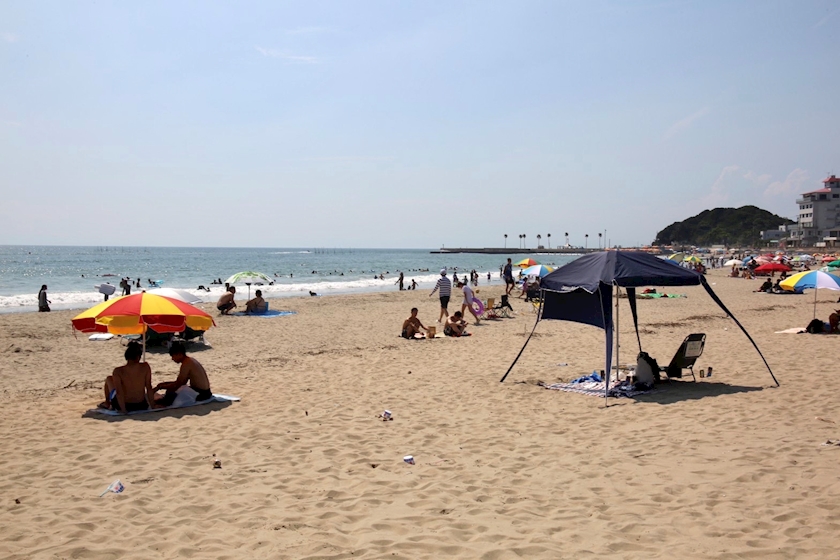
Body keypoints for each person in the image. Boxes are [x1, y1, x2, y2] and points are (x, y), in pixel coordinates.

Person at [153, 342, 213, 406]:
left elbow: (179, 384)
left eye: (173, 356)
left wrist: (161, 386)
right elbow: (182, 382)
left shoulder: (186, 363)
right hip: (205, 392)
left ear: (179, 354)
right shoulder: (190, 360)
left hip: (202, 394)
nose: (172, 359)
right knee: (172, 390)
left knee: (170, 393)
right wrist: (163, 385)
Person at [99, 341, 153, 413]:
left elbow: (119, 392)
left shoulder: (118, 371)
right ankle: (107, 403)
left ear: (126, 356)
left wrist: (123, 409)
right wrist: (153, 405)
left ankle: (107, 402)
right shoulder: (145, 367)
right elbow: (149, 387)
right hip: (141, 405)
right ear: (139, 357)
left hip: (125, 405)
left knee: (109, 379)